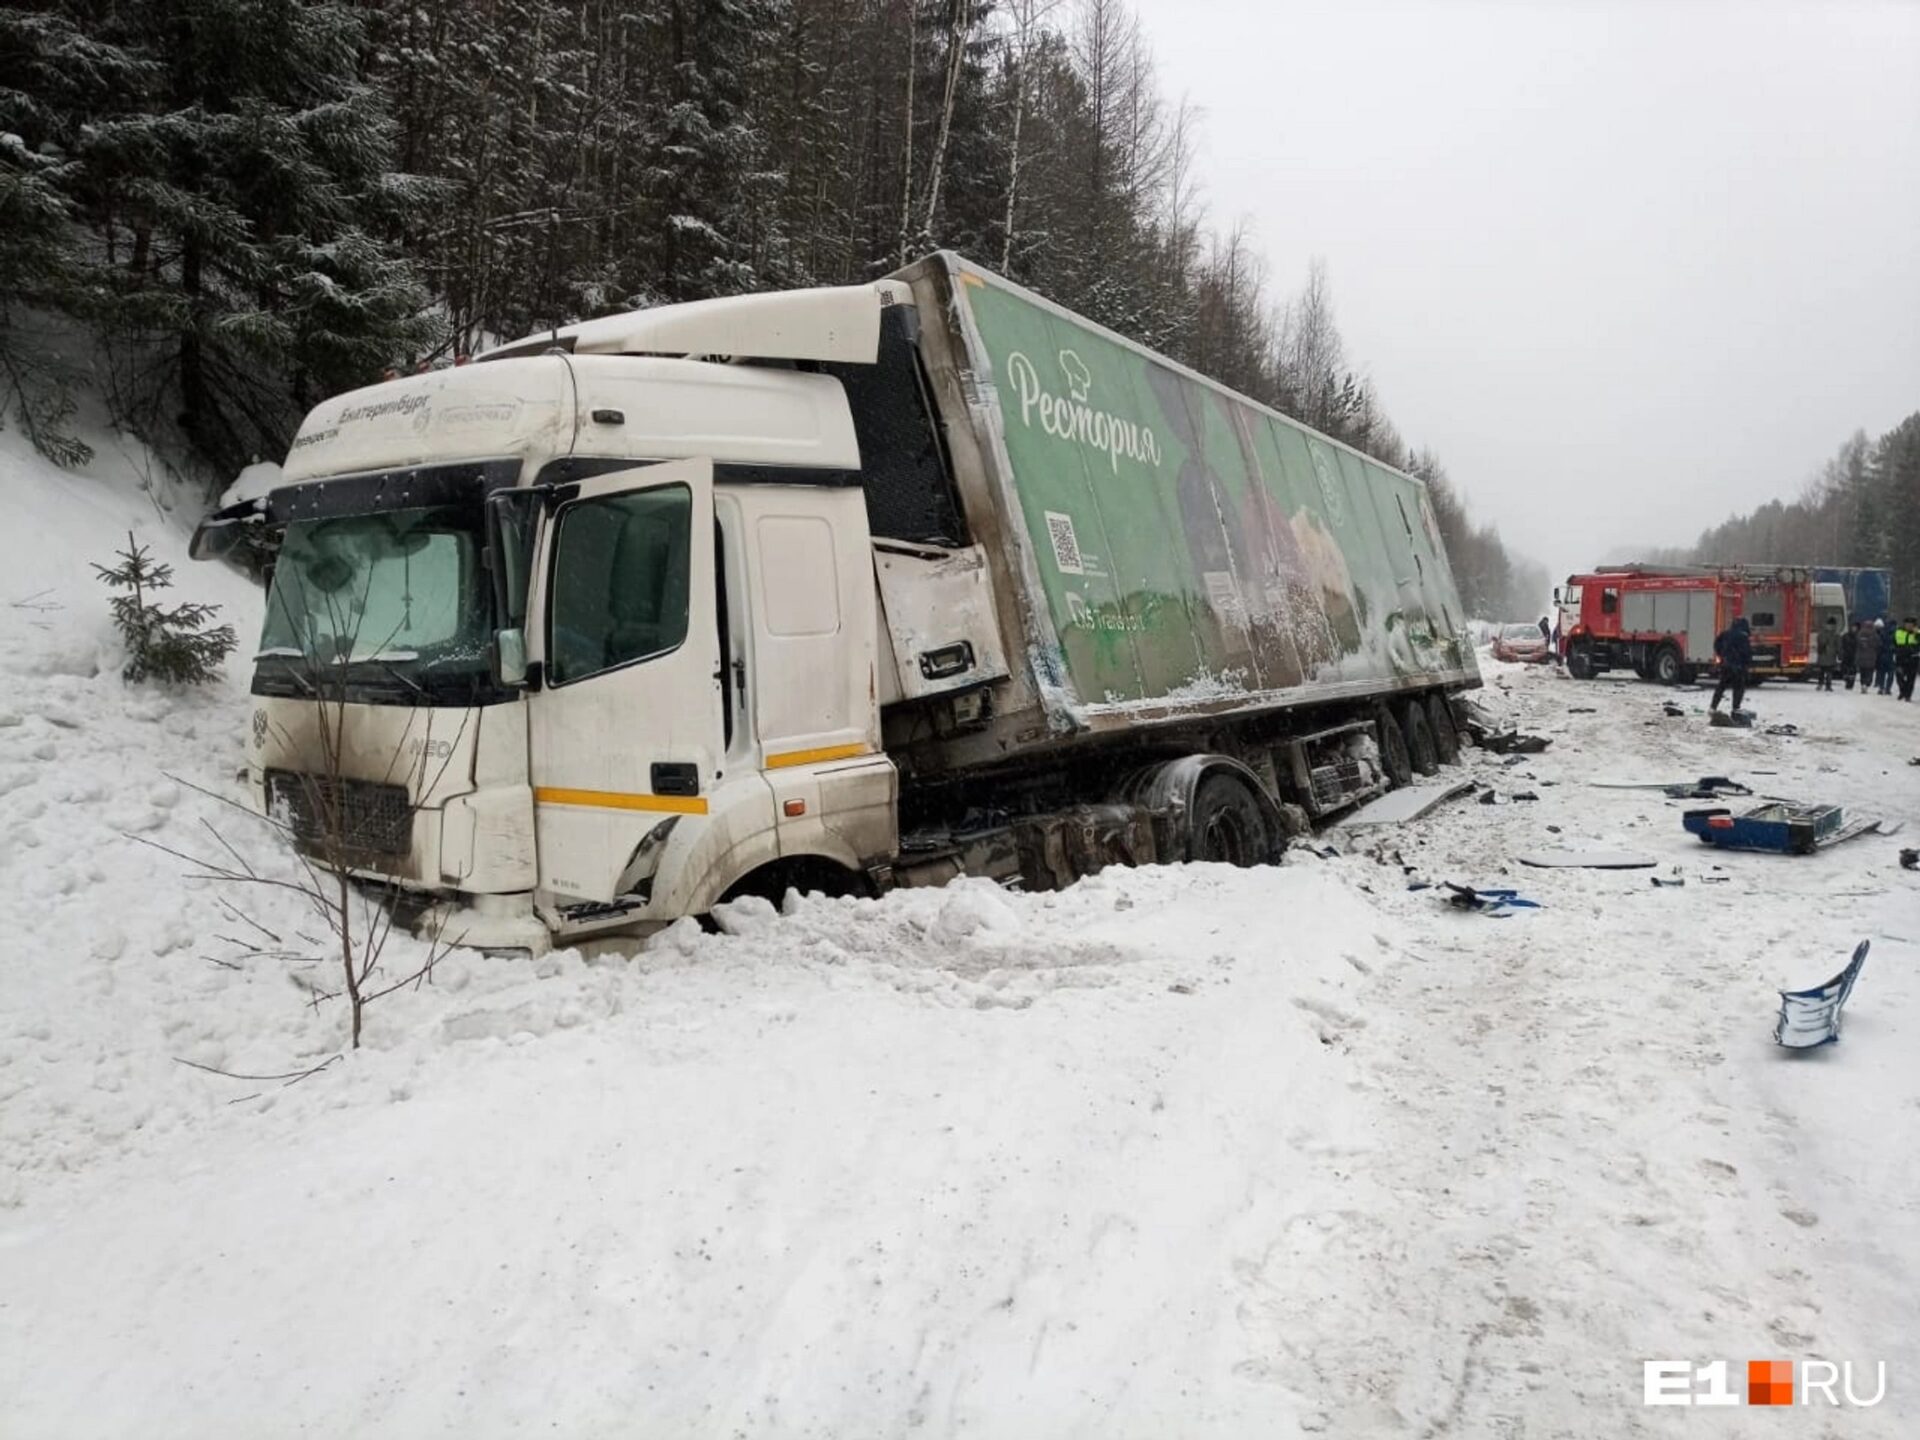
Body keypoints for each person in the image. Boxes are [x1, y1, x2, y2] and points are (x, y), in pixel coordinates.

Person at [1710, 615, 1752, 715]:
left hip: (1726, 665)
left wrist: (1721, 655)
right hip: (1738, 667)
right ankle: (1735, 708)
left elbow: (1717, 644)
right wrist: (1747, 664)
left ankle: (1713, 707)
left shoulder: (1725, 634)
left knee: (1721, 686)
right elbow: (1746, 653)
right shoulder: (1743, 637)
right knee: (1738, 688)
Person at [1895, 615, 1919, 702]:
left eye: (1911, 624)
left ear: (1914, 625)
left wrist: (1917, 634)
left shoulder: (1917, 633)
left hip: (1913, 659)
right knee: (1899, 676)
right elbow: (1894, 642)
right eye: (1907, 624)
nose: (1909, 626)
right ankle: (1903, 691)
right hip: (1901, 657)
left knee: (1911, 679)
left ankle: (1908, 695)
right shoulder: (1899, 632)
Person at [1814, 616, 1840, 691]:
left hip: (1824, 655)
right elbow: (1838, 645)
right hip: (1830, 655)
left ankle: (1821, 684)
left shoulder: (1822, 633)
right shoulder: (1835, 634)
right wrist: (1839, 654)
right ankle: (1827, 685)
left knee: (1822, 671)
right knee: (1828, 672)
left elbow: (1819, 642)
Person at [1856, 620, 1880, 695]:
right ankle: (1866, 684)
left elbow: (1857, 644)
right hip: (1871, 657)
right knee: (1869, 672)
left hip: (1861, 657)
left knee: (1862, 672)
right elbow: (1878, 645)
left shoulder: (1860, 634)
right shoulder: (1875, 635)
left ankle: (1863, 684)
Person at [1874, 617, 1895, 695]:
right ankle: (1888, 688)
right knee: (1891, 673)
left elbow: (1879, 644)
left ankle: (1881, 687)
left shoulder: (1883, 632)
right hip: (1891, 656)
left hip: (1882, 655)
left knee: (1881, 673)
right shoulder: (1895, 633)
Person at [1839, 622, 1859, 689]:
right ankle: (1847, 681)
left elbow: (1858, 647)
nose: (1854, 629)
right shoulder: (1845, 636)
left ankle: (1850, 684)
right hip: (1846, 655)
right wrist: (1841, 653)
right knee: (1845, 670)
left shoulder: (1858, 636)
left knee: (1853, 671)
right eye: (1853, 627)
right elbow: (1841, 645)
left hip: (1854, 656)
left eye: (1855, 627)